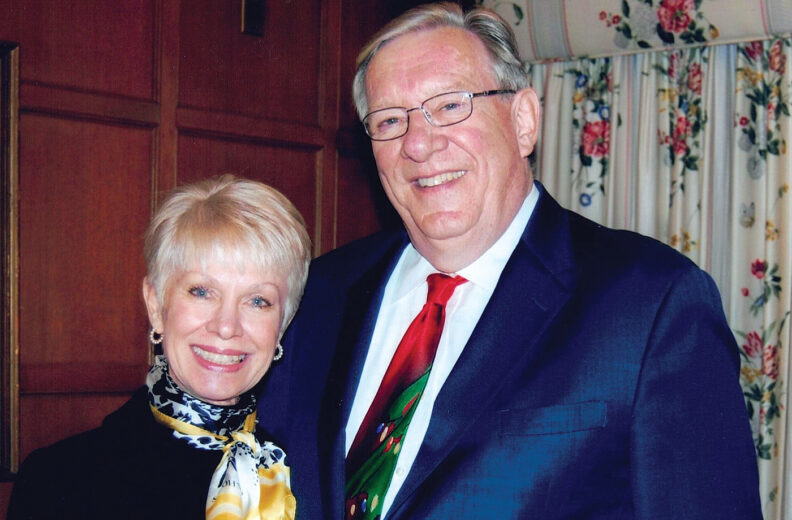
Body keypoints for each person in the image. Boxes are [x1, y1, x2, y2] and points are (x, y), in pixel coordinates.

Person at [258, 3, 764, 519]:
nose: (418, 143)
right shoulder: (319, 293)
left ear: (523, 121)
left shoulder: (651, 305)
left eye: (450, 105)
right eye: (390, 120)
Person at [8, 175, 311, 519]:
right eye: (201, 291)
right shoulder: (59, 482)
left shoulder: (312, 478)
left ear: (283, 323)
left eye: (258, 301)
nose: (226, 326)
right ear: (155, 305)